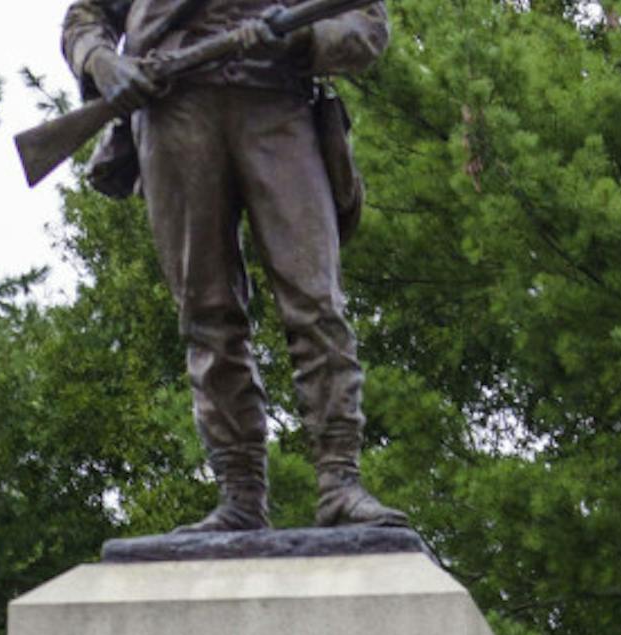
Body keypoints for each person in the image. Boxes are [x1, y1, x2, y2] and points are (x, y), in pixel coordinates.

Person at [63, 0, 408, 532]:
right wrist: (103, 62)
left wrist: (300, 38)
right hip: (173, 109)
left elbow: (366, 24)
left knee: (316, 302)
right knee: (207, 313)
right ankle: (240, 493)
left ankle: (340, 481)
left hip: (279, 105)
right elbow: (86, 17)